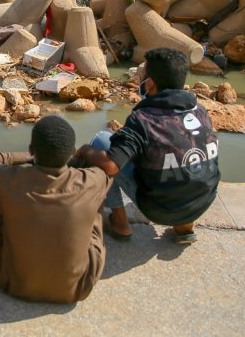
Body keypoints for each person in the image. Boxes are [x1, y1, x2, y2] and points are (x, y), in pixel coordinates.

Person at [76, 47, 220, 244]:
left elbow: (111, 165)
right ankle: (184, 227)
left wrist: (85, 150)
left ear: (150, 83)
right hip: (204, 202)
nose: (139, 78)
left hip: (158, 209)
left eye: (142, 75)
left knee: (101, 140)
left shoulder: (143, 119)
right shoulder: (201, 111)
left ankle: (120, 223)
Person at [0, 115, 112, 304]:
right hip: (78, 288)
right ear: (71, 151)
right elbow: (108, 168)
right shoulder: (93, 180)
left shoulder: (8, 178)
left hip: (10, 282)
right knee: (94, 200)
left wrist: (27, 157)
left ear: (33, 150)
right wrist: (82, 155)